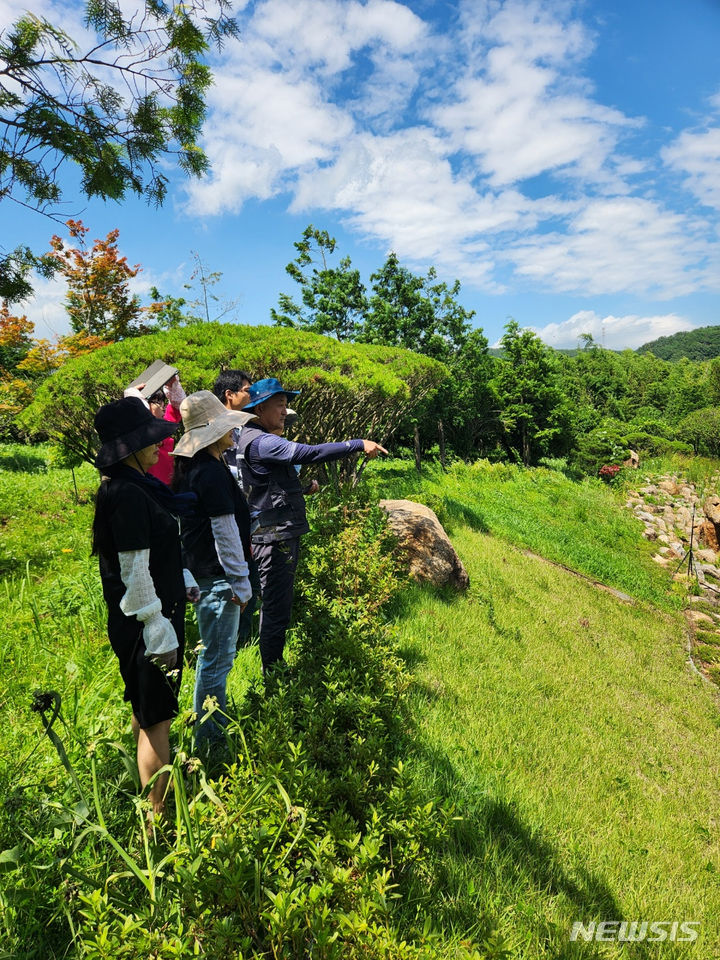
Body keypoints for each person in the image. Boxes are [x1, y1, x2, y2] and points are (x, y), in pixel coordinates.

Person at [91, 397, 199, 820]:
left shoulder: (132, 488)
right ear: (129, 448)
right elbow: (133, 570)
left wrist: (181, 579)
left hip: (144, 615)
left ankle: (147, 803)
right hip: (145, 621)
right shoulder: (129, 495)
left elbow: (151, 554)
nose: (160, 446)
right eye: (149, 440)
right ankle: (158, 822)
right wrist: (157, 626)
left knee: (145, 709)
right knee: (158, 722)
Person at [237, 377, 388, 672]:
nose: (284, 412)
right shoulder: (263, 441)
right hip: (274, 536)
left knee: (274, 605)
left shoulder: (249, 438)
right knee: (276, 609)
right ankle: (274, 678)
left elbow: (264, 488)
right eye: (279, 406)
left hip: (271, 531)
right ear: (259, 410)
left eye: (285, 406)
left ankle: (274, 672)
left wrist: (302, 489)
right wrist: (357, 444)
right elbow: (310, 453)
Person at [171, 391, 257, 749]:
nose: (232, 431)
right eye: (225, 426)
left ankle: (208, 732)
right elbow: (225, 533)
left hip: (206, 576)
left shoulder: (198, 467)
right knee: (216, 662)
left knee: (215, 659)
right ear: (211, 430)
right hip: (220, 581)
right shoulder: (209, 472)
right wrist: (241, 583)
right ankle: (209, 742)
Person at [212, 368, 261, 646]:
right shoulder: (218, 430)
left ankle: (241, 640)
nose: (251, 394)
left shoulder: (244, 427)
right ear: (229, 395)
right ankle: (232, 644)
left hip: (246, 518)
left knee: (250, 583)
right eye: (247, 390)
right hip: (228, 518)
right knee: (236, 582)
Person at [124, 371, 186, 485]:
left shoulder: (164, 424)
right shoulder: (137, 431)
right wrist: (133, 399)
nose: (163, 408)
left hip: (169, 487)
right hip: (148, 488)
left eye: (163, 403)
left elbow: (178, 407)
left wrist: (172, 385)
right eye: (158, 403)